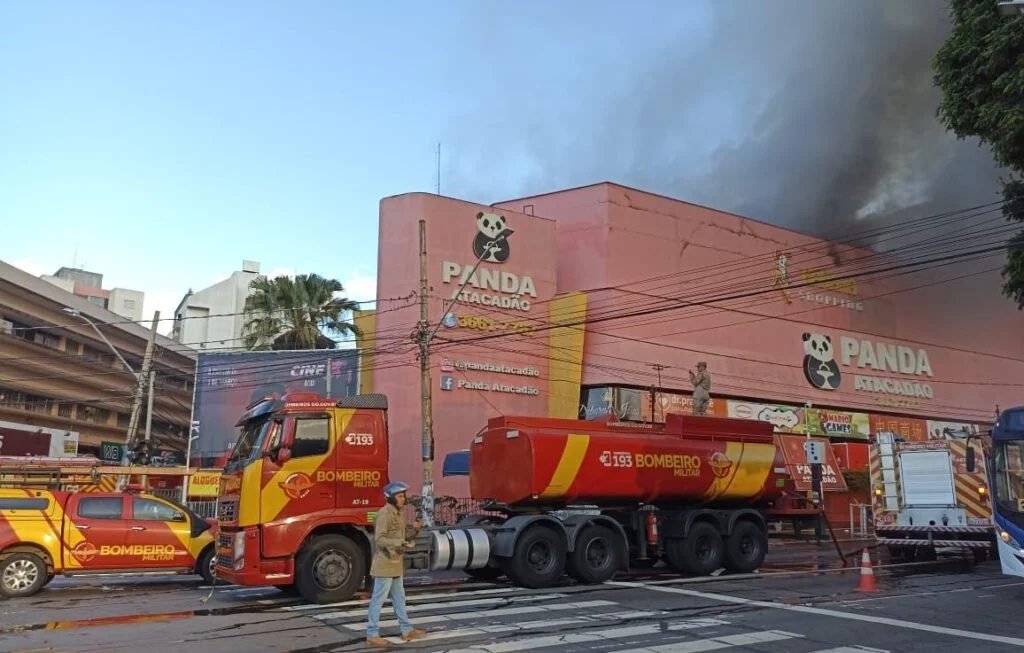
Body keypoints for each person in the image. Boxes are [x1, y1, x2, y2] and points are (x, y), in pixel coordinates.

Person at [365, 481, 426, 647]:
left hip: (396, 562)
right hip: (385, 563)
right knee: (378, 599)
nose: (403, 499)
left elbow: (404, 535)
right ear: (391, 498)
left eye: (403, 495)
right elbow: (380, 538)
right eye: (400, 496)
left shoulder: (399, 512)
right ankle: (371, 633)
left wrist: (415, 529)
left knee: (399, 597)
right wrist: (401, 542)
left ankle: (406, 630)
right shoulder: (385, 514)